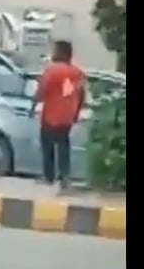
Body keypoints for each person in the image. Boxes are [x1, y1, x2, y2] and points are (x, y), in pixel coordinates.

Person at [28, 40, 85, 189]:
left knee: (47, 145)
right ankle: (65, 177)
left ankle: (49, 176)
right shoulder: (77, 73)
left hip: (51, 115)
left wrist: (33, 106)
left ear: (59, 52)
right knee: (63, 145)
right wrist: (77, 112)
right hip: (67, 116)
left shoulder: (51, 70)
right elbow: (82, 93)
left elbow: (41, 90)